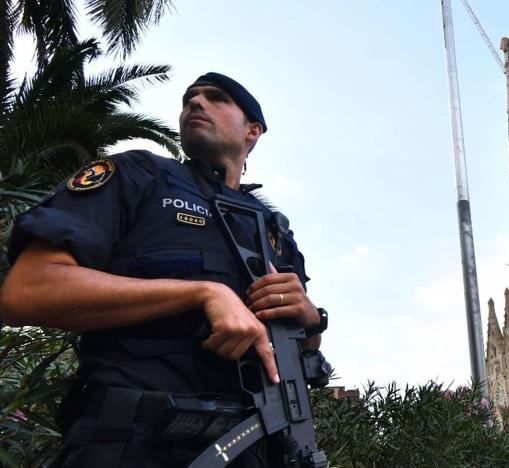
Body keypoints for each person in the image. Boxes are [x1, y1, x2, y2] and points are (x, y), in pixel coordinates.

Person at [0, 72, 328, 467]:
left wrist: (312, 323)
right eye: (190, 97)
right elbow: (27, 290)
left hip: (261, 448)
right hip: (133, 440)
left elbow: (301, 352)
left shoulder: (274, 229)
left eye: (216, 97)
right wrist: (202, 293)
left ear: (252, 131)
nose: (195, 103)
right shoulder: (140, 176)